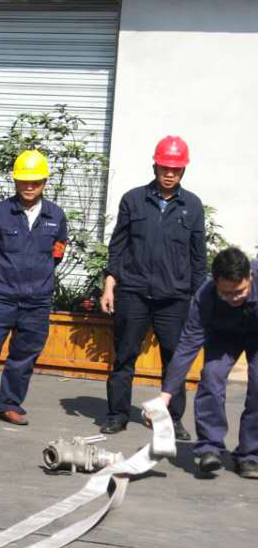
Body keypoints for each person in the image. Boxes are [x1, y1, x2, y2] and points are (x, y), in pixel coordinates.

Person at [100, 134, 206, 441]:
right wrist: (109, 285)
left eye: (175, 169)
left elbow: (198, 257)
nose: (169, 174)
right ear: (155, 167)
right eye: (164, 167)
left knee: (175, 360)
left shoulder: (192, 205)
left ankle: (174, 419)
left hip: (174, 298)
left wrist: (201, 301)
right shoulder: (133, 200)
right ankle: (117, 415)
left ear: (183, 170)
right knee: (124, 355)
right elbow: (117, 247)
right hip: (133, 292)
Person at [0, 149, 68, 427]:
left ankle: (10, 404)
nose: (29, 186)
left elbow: (57, 254)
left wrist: (37, 277)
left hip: (37, 301)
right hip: (0, 298)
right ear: (15, 180)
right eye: (23, 181)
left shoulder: (56, 216)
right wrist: (2, 275)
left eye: (35, 181)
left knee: (24, 355)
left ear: (44, 182)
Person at [156, 247, 258, 479]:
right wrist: (166, 395)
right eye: (226, 294)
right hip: (224, 335)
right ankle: (209, 448)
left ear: (250, 276)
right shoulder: (205, 295)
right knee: (211, 376)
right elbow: (187, 346)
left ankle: (250, 455)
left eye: (239, 292)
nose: (233, 298)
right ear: (216, 282)